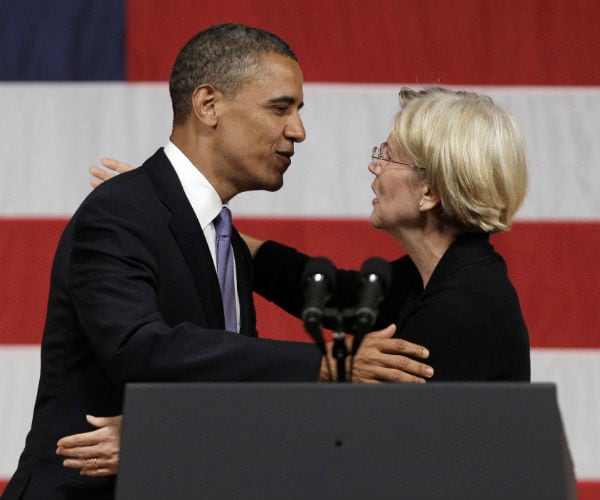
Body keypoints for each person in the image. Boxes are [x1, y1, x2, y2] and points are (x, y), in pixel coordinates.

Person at [3, 24, 432, 500]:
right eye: (279, 108)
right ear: (208, 105)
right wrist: (326, 363)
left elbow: (225, 392)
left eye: (298, 111)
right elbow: (139, 348)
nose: (298, 131)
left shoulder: (214, 232)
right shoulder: (121, 210)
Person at [56, 86, 531, 477]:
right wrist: (186, 214)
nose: (374, 167)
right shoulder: (435, 278)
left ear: (429, 190)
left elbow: (342, 443)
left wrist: (164, 437)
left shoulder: (461, 311)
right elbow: (324, 291)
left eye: (387, 157)